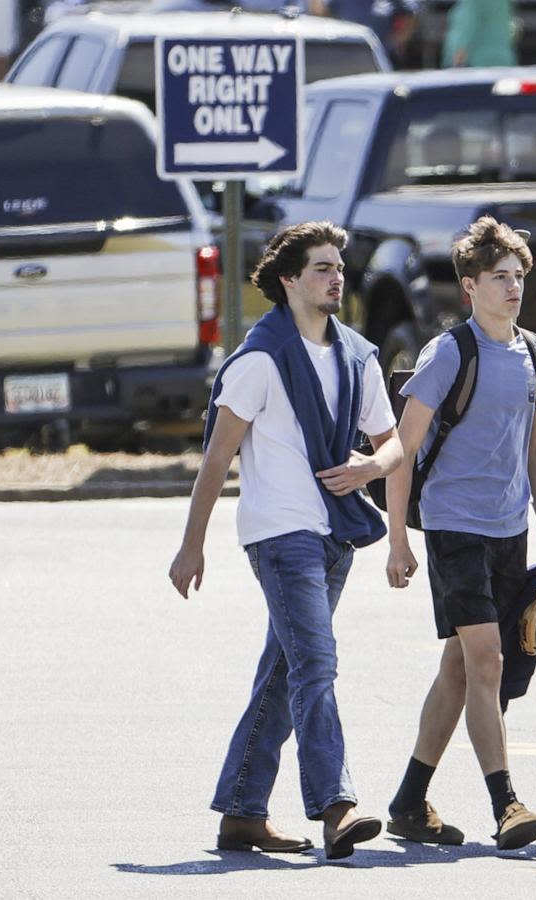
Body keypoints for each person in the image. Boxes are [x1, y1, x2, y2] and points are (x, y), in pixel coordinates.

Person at [168, 221, 401, 861]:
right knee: (316, 665)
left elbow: (395, 444)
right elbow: (216, 459)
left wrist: (369, 469)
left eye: (339, 268)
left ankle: (243, 813)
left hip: (338, 529)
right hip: (280, 533)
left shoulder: (357, 354)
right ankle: (336, 807)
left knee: (284, 671)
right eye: (322, 268)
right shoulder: (260, 359)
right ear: (290, 280)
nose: (336, 278)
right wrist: (193, 545)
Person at [382, 217, 536, 852]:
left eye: (518, 277)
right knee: (486, 658)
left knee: (461, 666)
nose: (513, 288)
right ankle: (506, 803)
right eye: (499, 279)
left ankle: (409, 800)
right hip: (453, 526)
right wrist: (399, 542)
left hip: (509, 530)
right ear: (469, 287)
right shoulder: (448, 354)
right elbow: (402, 449)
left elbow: (535, 450)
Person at [443, 0, 515, 67]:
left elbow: (466, 27)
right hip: (504, 61)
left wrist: (457, 59)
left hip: (478, 64)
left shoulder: (472, 3)